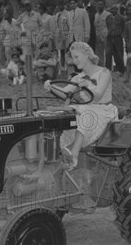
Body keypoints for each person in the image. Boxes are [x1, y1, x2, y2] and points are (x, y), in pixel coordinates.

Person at [44, 42, 117, 170]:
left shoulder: (104, 72)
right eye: (73, 58)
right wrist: (51, 87)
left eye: (77, 57)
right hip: (86, 108)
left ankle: (75, 154)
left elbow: (98, 95)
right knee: (65, 112)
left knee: (84, 111)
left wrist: (87, 86)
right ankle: (60, 148)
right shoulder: (79, 77)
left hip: (103, 110)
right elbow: (66, 93)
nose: (74, 61)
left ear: (87, 55)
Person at [106, 5, 125, 75]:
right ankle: (108, 69)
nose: (113, 10)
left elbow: (124, 27)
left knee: (119, 54)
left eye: (115, 9)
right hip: (110, 38)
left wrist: (121, 34)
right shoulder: (108, 18)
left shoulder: (121, 18)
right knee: (108, 54)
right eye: (112, 9)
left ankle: (121, 70)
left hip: (118, 38)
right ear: (110, 10)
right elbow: (107, 26)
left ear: (117, 10)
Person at [94, 1, 112, 67]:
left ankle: (109, 67)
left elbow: (110, 25)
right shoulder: (96, 15)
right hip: (98, 36)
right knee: (99, 53)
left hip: (106, 35)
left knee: (107, 52)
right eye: (98, 4)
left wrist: (109, 34)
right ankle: (101, 66)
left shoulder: (108, 14)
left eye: (101, 4)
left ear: (104, 5)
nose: (99, 6)